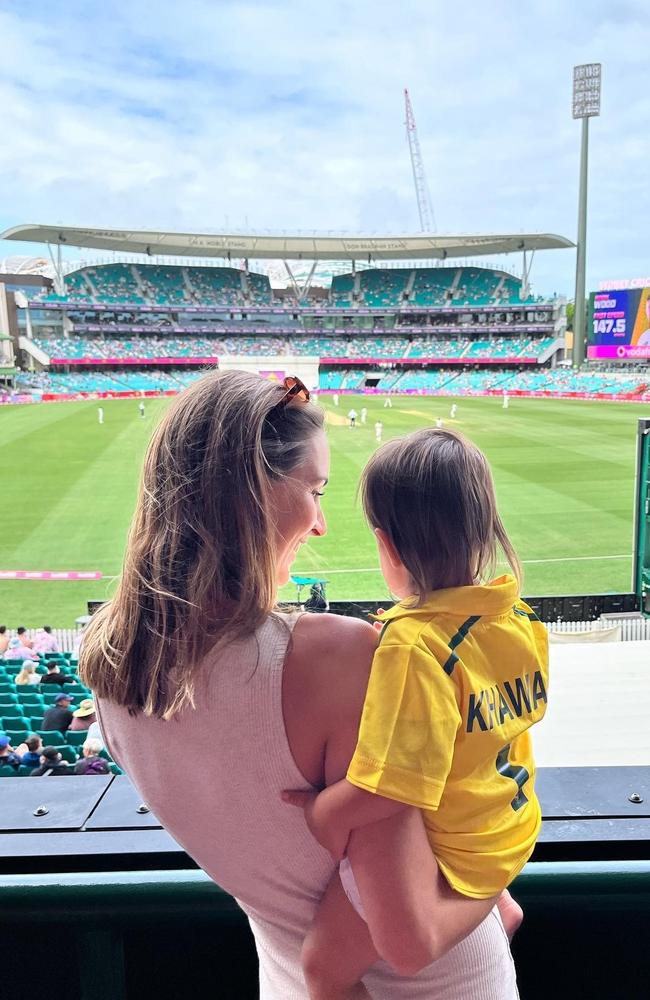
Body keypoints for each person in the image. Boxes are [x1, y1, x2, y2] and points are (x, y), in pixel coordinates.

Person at [81, 370, 519, 999]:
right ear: (251, 495)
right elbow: (409, 917)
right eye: (315, 490)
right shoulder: (339, 657)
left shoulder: (112, 671)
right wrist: (503, 871)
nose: (320, 525)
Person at [282, 427, 548, 999]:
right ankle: (498, 908)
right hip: (511, 825)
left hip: (457, 854)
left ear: (388, 547)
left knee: (322, 969)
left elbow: (391, 791)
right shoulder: (519, 615)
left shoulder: (412, 647)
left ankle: (487, 902)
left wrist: (322, 814)